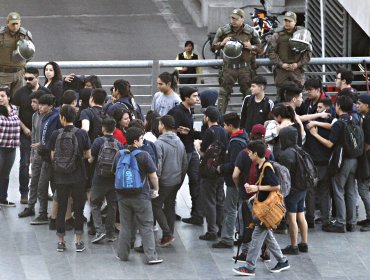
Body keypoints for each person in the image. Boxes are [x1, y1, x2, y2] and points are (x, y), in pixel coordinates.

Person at [233, 141, 290, 276]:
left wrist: (256, 188)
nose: (248, 153)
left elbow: (276, 186)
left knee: (256, 236)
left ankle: (249, 267)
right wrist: (256, 194)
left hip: (265, 211)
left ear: (256, 154)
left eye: (250, 152)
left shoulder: (267, 167)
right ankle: (282, 261)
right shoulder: (261, 166)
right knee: (268, 237)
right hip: (263, 209)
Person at [113, 127, 163, 264]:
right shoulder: (143, 155)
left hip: (123, 197)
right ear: (135, 141)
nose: (143, 141)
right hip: (141, 196)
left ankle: (122, 255)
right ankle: (151, 257)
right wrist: (156, 189)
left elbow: (114, 173)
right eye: (141, 139)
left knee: (126, 226)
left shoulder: (119, 154)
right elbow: (153, 175)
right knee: (146, 225)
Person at [309, 95, 358, 233]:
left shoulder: (339, 122)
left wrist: (315, 134)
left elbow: (330, 143)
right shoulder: (353, 118)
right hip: (354, 159)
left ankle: (340, 222)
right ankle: (351, 221)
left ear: (339, 107)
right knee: (351, 191)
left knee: (338, 190)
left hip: (342, 160)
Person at [48, 105, 91, 252]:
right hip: (78, 176)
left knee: (61, 208)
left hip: (60, 177)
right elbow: (88, 154)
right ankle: (78, 241)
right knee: (78, 209)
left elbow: (53, 156)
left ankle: (61, 242)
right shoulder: (82, 133)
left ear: (62, 118)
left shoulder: (55, 134)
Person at [11, 67, 50, 204]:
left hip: (42, 134)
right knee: (24, 163)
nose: (27, 81)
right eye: (25, 78)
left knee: (45, 163)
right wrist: (24, 128)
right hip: (25, 133)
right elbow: (14, 113)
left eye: (30, 79)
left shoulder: (46, 92)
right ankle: (24, 193)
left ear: (37, 78)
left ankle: (43, 191)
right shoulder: (20, 93)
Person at [212, 8, 261, 113]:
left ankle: (249, 118)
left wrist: (251, 47)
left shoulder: (250, 31)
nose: (233, 21)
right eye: (232, 18)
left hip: (245, 68)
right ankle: (219, 119)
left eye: (236, 19)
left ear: (242, 19)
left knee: (249, 93)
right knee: (223, 93)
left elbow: (261, 48)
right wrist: (222, 43)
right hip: (229, 68)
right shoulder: (223, 31)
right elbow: (213, 47)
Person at [168, 87, 203, 225]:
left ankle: (197, 213)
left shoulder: (189, 110)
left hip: (191, 150)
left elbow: (188, 132)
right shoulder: (177, 112)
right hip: (181, 152)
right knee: (176, 181)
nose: (197, 98)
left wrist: (191, 133)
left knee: (196, 180)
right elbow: (170, 129)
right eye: (194, 96)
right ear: (186, 97)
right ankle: (169, 209)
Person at [212, 112, 248, 248]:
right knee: (238, 208)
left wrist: (221, 168)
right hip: (241, 181)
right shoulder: (243, 136)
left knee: (230, 209)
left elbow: (234, 164)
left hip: (235, 182)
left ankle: (227, 238)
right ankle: (241, 235)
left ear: (231, 126)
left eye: (225, 125)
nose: (223, 127)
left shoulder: (235, 143)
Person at [152, 115, 188, 247]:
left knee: (155, 205)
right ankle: (169, 233)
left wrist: (156, 183)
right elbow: (185, 163)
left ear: (162, 125)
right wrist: (180, 178)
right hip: (176, 180)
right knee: (170, 205)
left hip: (164, 181)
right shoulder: (179, 141)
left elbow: (158, 166)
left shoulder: (159, 143)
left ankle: (167, 233)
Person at [88, 118, 124, 244]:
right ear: (114, 129)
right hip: (113, 179)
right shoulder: (119, 144)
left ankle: (99, 230)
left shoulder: (98, 141)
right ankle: (110, 234)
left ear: (103, 128)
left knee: (94, 204)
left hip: (99, 178)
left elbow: (91, 160)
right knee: (112, 206)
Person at [195, 106, 228, 240]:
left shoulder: (209, 132)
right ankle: (221, 227)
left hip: (208, 171)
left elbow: (204, 152)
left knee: (209, 201)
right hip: (220, 169)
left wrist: (197, 145)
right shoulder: (223, 131)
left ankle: (211, 231)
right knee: (220, 200)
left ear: (207, 118)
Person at [268, 11, 312, 101]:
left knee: (298, 97)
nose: (287, 23)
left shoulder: (303, 35)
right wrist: (281, 64)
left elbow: (308, 53)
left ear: (295, 22)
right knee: (281, 97)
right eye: (285, 20)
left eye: (289, 21)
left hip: (297, 71)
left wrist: (297, 64)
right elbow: (271, 52)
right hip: (281, 71)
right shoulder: (277, 35)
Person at [31, 94, 61, 225]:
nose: (40, 107)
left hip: (51, 157)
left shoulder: (55, 117)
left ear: (50, 106)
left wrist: (44, 146)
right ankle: (46, 213)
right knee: (42, 185)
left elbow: (56, 137)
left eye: (43, 105)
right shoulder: (42, 116)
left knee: (46, 185)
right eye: (40, 104)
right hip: (44, 155)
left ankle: (51, 213)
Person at [279, 126, 309, 255]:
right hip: (303, 188)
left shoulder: (286, 154)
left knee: (291, 218)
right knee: (301, 215)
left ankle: (294, 246)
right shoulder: (301, 151)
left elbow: (284, 175)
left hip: (292, 190)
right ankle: (304, 243)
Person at [18, 90, 45, 217]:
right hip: (37, 154)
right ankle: (31, 207)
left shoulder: (49, 116)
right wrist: (33, 154)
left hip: (46, 154)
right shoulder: (35, 116)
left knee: (43, 184)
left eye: (35, 102)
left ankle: (43, 211)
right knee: (34, 181)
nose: (32, 104)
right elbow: (34, 137)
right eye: (32, 102)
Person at [0, 12, 34, 96]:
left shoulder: (25, 35)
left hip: (20, 74)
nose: (15, 26)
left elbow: (30, 53)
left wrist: (22, 64)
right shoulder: (1, 35)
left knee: (18, 100)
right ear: (7, 23)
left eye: (17, 23)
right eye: (13, 24)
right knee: (3, 101)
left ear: (20, 23)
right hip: (3, 74)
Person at [0, 86, 20, 206]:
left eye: (2, 96)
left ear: (8, 97)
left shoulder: (14, 109)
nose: (0, 98)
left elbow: (18, 122)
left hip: (11, 146)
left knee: (5, 174)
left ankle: (2, 198)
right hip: (0, 146)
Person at [355, 93, 370, 232]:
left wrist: (361, 153)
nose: (358, 106)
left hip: (367, 159)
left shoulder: (368, 120)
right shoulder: (365, 118)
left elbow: (367, 143)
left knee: (363, 189)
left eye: (360, 104)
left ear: (367, 105)